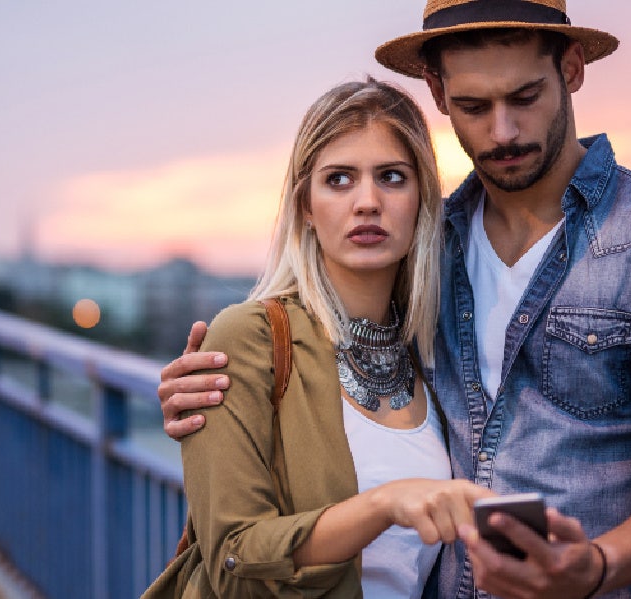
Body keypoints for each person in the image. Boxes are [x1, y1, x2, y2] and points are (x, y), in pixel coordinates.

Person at [158, 1, 631, 597]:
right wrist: (219, 394)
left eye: (525, 98)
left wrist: (592, 567)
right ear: (436, 90)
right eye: (473, 106)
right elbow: (326, 358)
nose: (502, 132)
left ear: (573, 68)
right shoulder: (426, 251)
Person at [143, 78, 496, 599]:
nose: (368, 202)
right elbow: (234, 560)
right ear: (305, 204)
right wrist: (386, 503)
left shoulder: (435, 352)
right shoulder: (250, 338)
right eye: (339, 180)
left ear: (422, 198)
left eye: (392, 177)